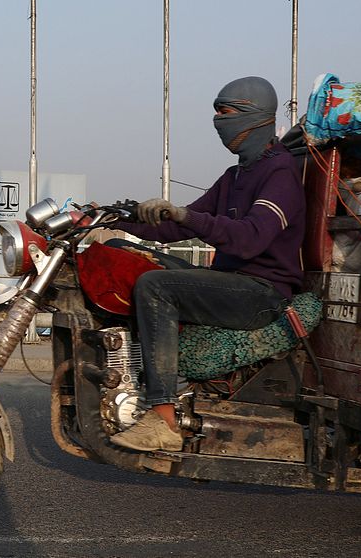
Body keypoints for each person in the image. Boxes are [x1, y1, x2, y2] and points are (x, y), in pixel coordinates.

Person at [108, 76, 306, 452]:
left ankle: (162, 416)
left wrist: (183, 214)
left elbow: (249, 237)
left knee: (155, 286)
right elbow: (171, 228)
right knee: (123, 252)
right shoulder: (235, 176)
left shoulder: (280, 173)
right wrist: (111, 217)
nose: (217, 120)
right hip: (230, 282)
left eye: (225, 111)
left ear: (255, 116)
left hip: (261, 294)